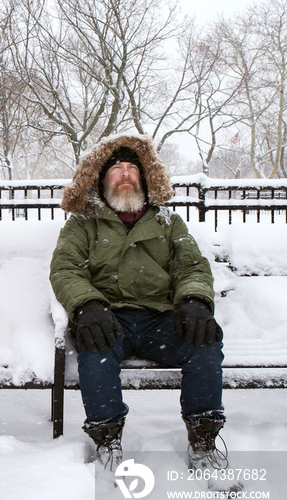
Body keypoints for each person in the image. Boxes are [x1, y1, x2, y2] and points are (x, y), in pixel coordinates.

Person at [50, 134, 227, 475]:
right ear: (102, 180)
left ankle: (203, 441)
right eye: (116, 168)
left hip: (161, 318)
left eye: (133, 167)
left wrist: (193, 300)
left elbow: (191, 266)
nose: (126, 174)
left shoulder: (168, 222)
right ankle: (107, 441)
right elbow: (65, 269)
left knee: (204, 342)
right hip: (109, 318)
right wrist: (87, 305)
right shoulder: (82, 225)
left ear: (145, 178)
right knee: (95, 350)